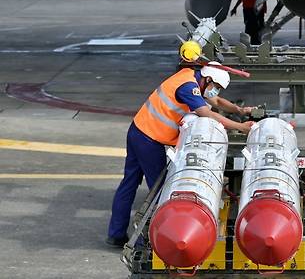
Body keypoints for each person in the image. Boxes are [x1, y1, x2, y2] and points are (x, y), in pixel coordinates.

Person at [106, 62, 255, 247]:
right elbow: (205, 113)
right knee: (159, 191)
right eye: (215, 87)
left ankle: (116, 233)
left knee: (129, 183)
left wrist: (239, 110)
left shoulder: (190, 77)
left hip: (138, 130)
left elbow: (215, 101)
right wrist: (240, 127)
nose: (215, 91)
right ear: (208, 79)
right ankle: (142, 242)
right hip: (150, 139)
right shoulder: (187, 87)